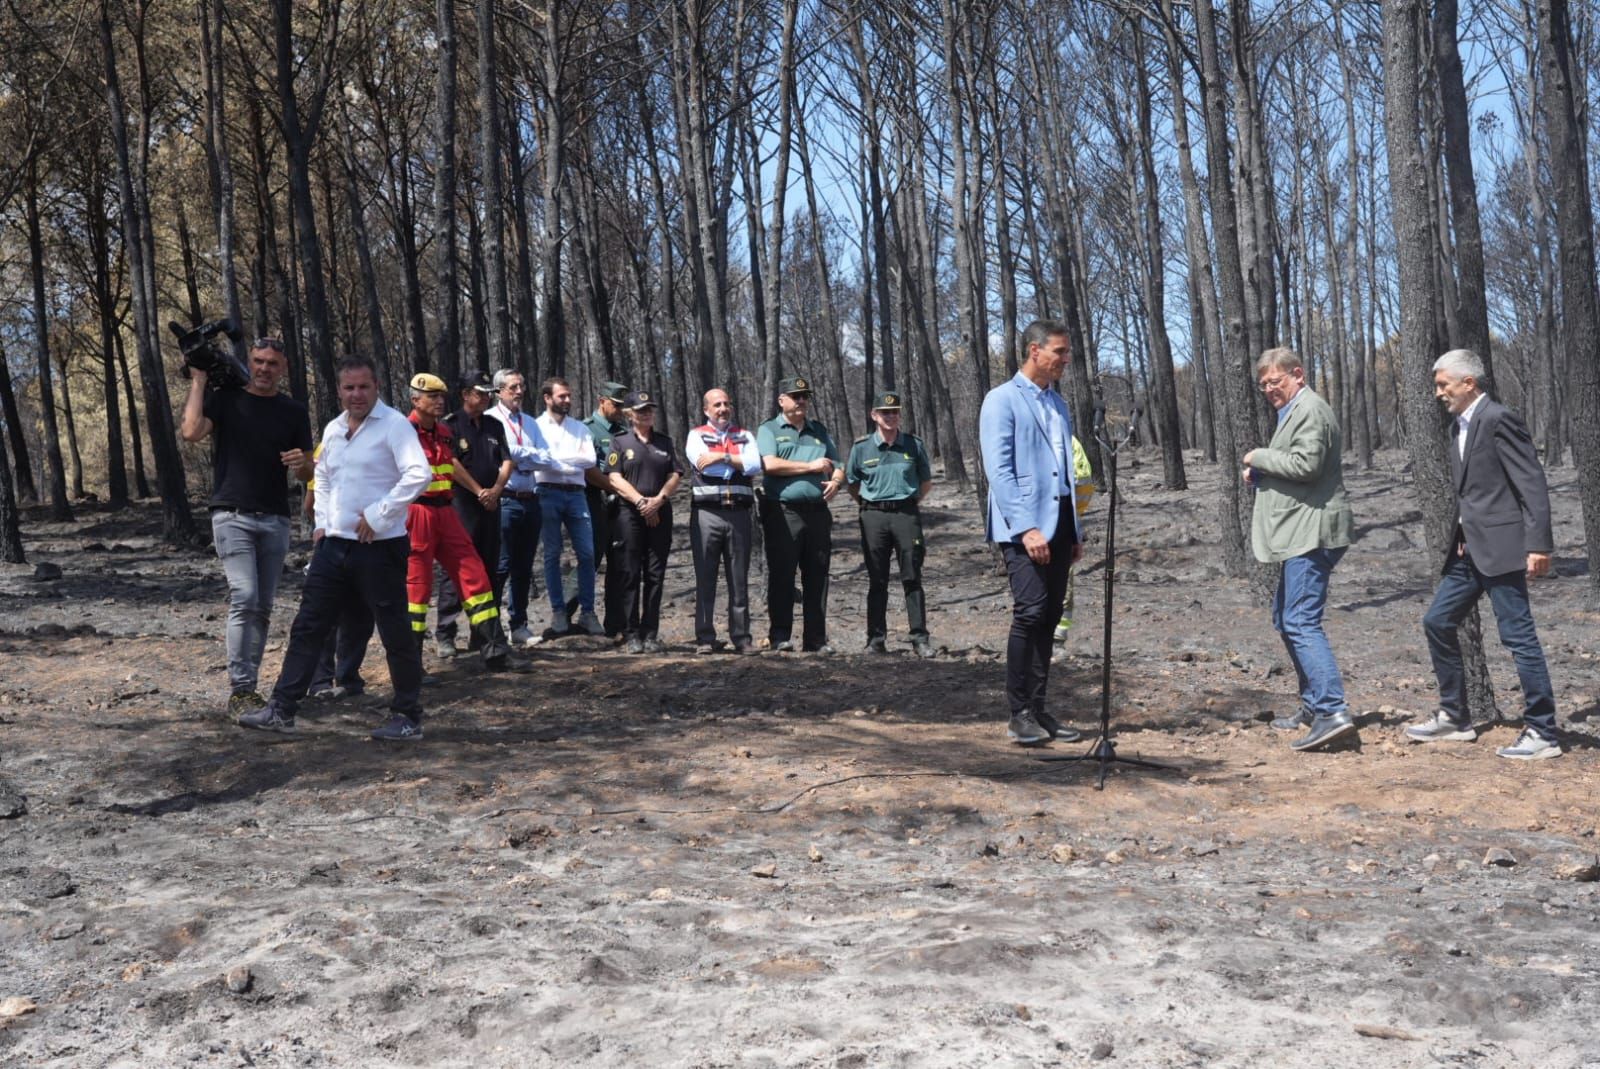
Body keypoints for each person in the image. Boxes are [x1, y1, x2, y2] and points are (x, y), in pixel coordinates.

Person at [238, 356, 430, 741]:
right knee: (308, 626)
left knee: (395, 632)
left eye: (363, 387)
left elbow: (419, 474)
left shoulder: (393, 426)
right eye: (349, 388)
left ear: (376, 387)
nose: (356, 394)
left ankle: (407, 715)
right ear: (339, 390)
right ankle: (282, 709)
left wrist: (378, 514)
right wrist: (322, 523)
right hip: (333, 548)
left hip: (380, 546)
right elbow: (321, 477)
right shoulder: (334, 428)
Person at [1407, 349, 1563, 759]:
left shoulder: (1497, 418)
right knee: (1438, 621)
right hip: (1469, 549)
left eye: (1444, 385)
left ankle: (1543, 732)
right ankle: (1455, 717)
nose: (1439, 392)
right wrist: (1462, 532)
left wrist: (1538, 544)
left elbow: (1531, 481)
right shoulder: (1459, 425)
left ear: (1468, 384)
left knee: (1518, 638)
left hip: (1504, 548)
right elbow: (1476, 492)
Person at [179, 336, 313, 716]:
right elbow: (190, 432)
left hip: (275, 518)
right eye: (258, 361)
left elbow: (308, 468)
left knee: (264, 606)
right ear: (249, 363)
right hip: (232, 514)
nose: (264, 368)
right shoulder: (227, 399)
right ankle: (240, 689)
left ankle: (249, 687)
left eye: (273, 363)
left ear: (282, 368)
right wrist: (199, 380)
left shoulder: (293, 410)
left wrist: (298, 464)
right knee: (246, 596)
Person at [1242, 348, 1356, 753]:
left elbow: (1306, 465)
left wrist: (1259, 456)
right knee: (1285, 616)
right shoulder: (1293, 411)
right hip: (1300, 531)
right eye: (1264, 385)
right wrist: (1263, 471)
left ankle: (1332, 712)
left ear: (1298, 375)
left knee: (1301, 621)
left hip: (1315, 532)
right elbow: (1299, 467)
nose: (1270, 389)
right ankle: (1313, 707)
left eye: (1276, 381)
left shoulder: (1309, 409)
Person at [978, 320, 1084, 746]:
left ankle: (1039, 708)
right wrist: (1026, 528)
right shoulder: (1001, 400)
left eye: (1067, 352)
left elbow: (1066, 471)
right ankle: (1018, 712)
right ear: (1034, 350)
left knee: (1051, 616)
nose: (1065, 360)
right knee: (1030, 612)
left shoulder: (1058, 404)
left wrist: (1073, 529)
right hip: (1024, 528)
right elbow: (999, 471)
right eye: (1059, 352)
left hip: (1059, 524)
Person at [404, 373, 519, 671]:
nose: (439, 401)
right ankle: (410, 664)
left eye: (442, 396)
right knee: (417, 590)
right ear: (416, 400)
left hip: (446, 510)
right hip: (417, 512)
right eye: (432, 397)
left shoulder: (443, 432)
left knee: (475, 574)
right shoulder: (402, 432)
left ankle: (494, 649)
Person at [757, 374, 845, 653]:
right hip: (783, 512)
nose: (802, 401)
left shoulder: (819, 430)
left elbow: (838, 463)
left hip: (818, 513)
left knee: (817, 576)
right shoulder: (769, 430)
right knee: (782, 574)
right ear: (781, 400)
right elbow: (769, 464)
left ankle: (816, 639)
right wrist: (811, 467)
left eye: (805, 396)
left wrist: (837, 481)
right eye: (796, 396)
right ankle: (780, 636)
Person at [846, 390, 935, 658]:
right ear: (874, 415)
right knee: (877, 578)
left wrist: (908, 502)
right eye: (885, 413)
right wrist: (871, 505)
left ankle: (919, 638)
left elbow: (926, 482)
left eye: (895, 412)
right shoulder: (861, 448)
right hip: (873, 515)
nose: (891, 417)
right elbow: (852, 484)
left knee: (912, 577)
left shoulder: (913, 444)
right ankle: (875, 639)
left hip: (906, 515)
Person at [435, 370, 512, 658]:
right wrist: (479, 490)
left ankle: (483, 635)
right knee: (456, 568)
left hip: (492, 505)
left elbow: (507, 461)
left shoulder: (494, 425)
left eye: (487, 393)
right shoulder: (450, 426)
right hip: (462, 506)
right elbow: (451, 463)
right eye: (479, 393)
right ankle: (445, 633)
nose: (485, 398)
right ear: (466, 394)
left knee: (488, 569)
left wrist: (495, 490)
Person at [604, 390, 685, 652]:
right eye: (641, 410)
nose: (647, 413)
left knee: (655, 573)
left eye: (649, 409)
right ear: (629, 415)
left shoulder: (664, 442)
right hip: (629, 512)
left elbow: (675, 474)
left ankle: (650, 632)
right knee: (629, 571)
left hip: (659, 510)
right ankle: (630, 633)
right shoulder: (620, 442)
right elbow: (614, 478)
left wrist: (659, 500)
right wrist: (640, 502)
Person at [686, 388, 762, 654]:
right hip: (707, 514)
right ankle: (705, 638)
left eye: (726, 404)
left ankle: (741, 637)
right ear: (706, 409)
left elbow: (755, 465)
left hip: (739, 514)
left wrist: (722, 456)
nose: (722, 409)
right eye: (717, 405)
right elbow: (701, 464)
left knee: (738, 579)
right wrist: (736, 462)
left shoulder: (744, 435)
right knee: (706, 577)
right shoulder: (696, 435)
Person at [535, 377, 602, 634]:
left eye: (568, 396)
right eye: (562, 396)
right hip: (546, 492)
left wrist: (556, 460)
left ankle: (587, 612)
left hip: (576, 494)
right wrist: (562, 462)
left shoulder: (580, 428)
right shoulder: (536, 427)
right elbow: (538, 461)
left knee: (587, 553)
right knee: (552, 554)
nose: (567, 400)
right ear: (548, 398)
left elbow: (588, 459)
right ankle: (558, 612)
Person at [488, 369, 545, 645]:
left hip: (531, 499)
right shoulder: (490, 421)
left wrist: (520, 456)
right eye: (513, 387)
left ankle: (519, 625)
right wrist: (524, 456)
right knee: (501, 566)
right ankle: (492, 628)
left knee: (523, 566)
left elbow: (545, 458)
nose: (519, 392)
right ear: (499, 391)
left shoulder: (531, 424)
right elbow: (501, 458)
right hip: (506, 499)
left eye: (521, 386)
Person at [585, 381, 630, 637]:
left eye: (623, 405)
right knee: (589, 558)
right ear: (602, 400)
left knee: (620, 563)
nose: (619, 410)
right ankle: (570, 616)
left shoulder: (624, 430)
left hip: (621, 504)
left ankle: (616, 623)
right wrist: (615, 488)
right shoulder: (586, 429)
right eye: (615, 405)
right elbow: (590, 470)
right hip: (596, 500)